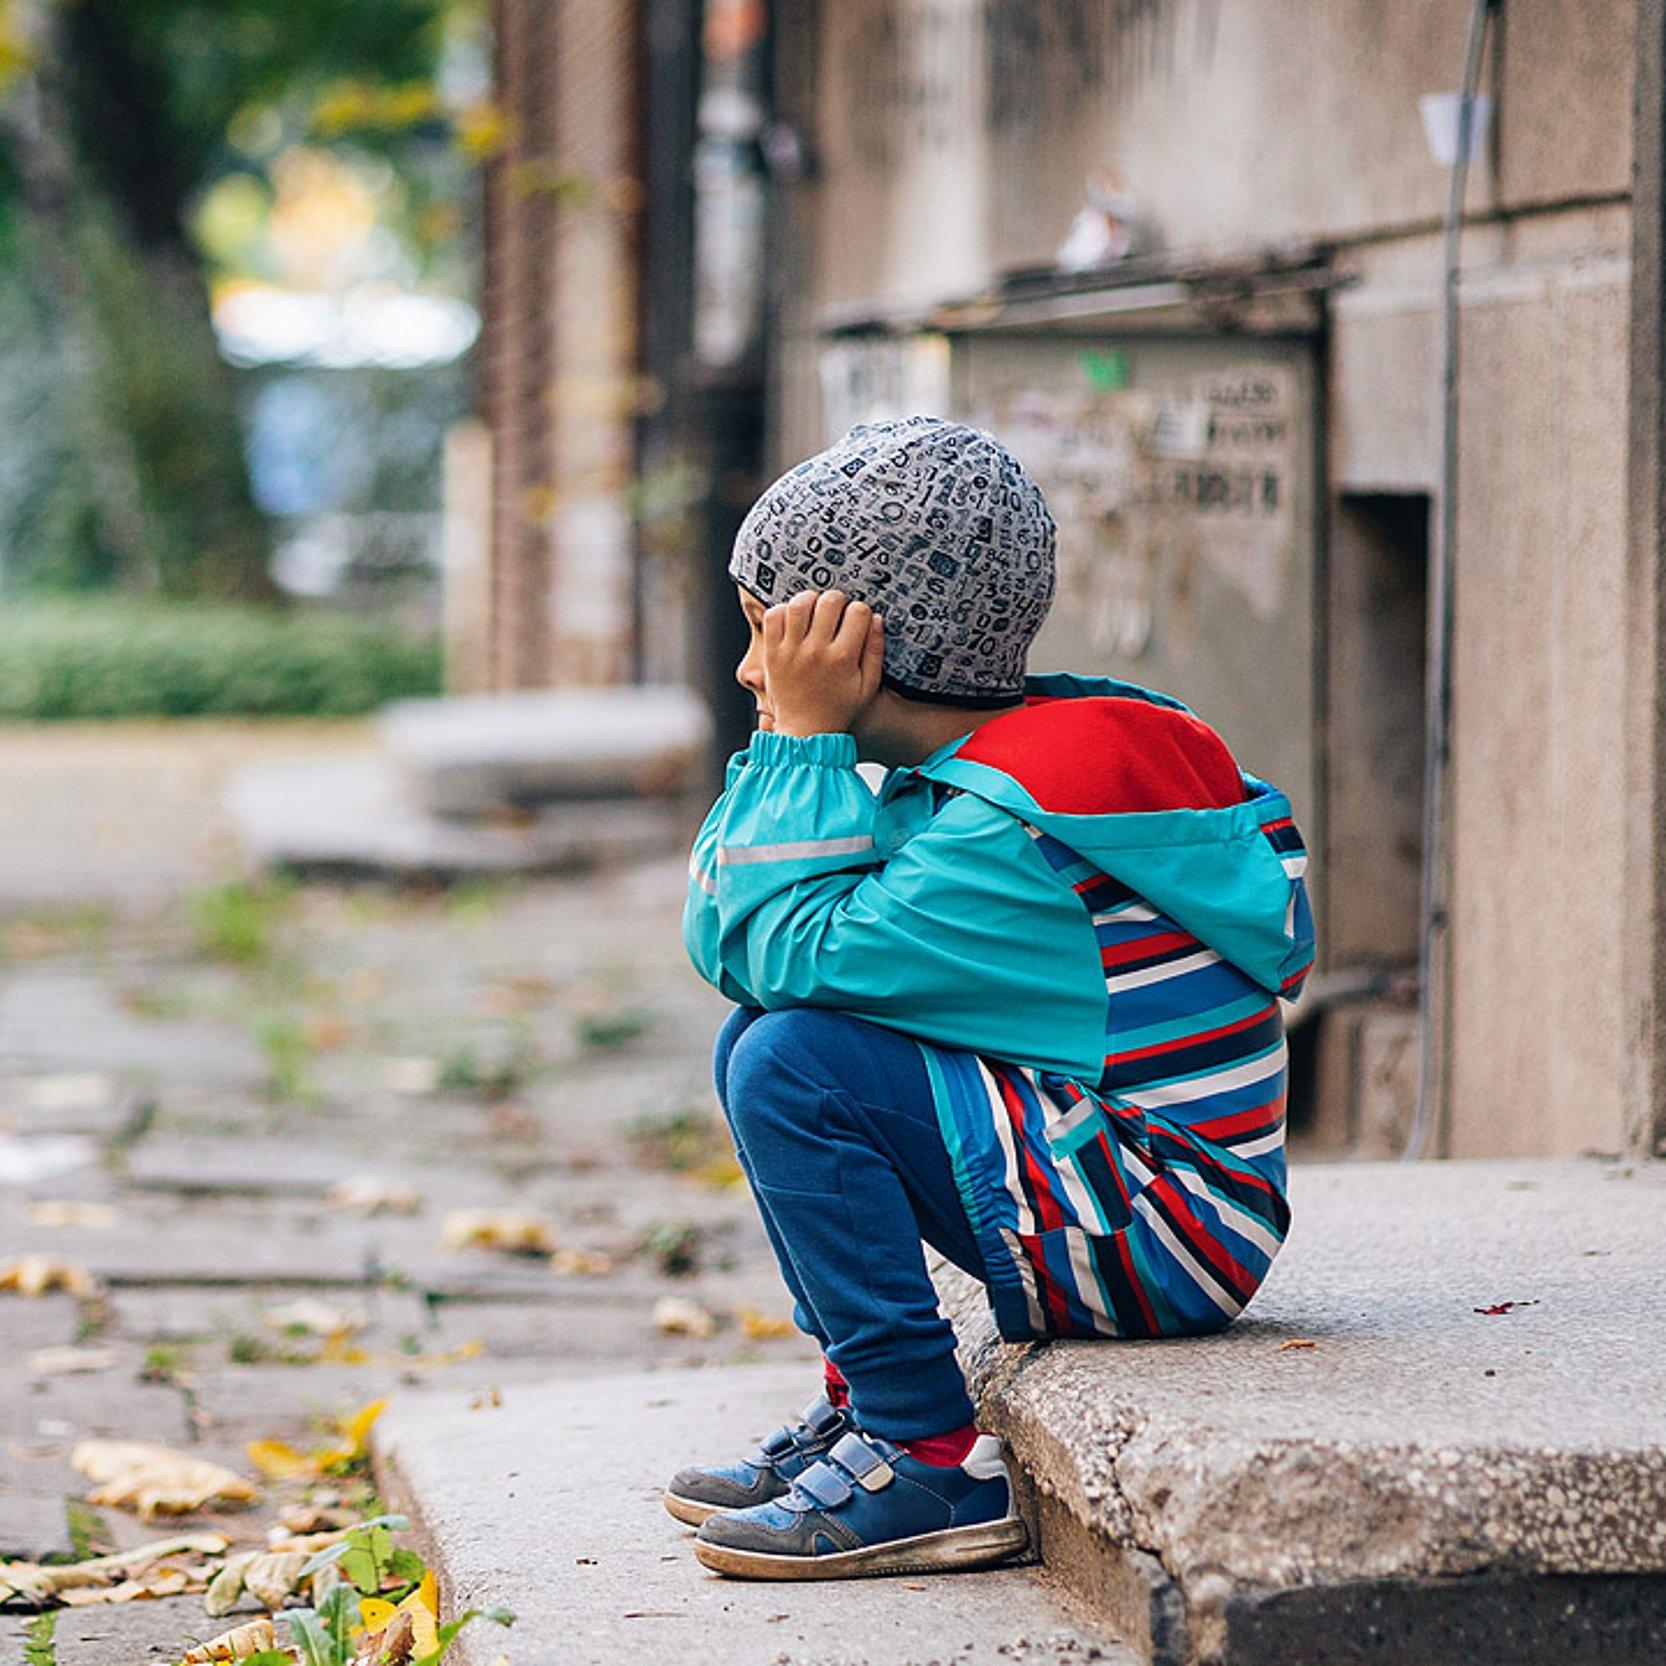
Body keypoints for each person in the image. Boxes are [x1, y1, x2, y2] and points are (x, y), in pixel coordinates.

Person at [668, 416, 1314, 1581]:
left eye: (768, 634)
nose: (748, 672)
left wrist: (794, 749)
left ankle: (923, 1453)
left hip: (1163, 1232)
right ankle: (863, 1400)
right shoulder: (1010, 773)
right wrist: (796, 749)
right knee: (760, 1041)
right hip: (1149, 1193)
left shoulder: (1006, 837)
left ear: (859, 640)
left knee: (787, 1059)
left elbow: (756, 938)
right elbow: (754, 950)